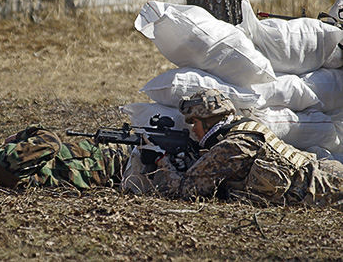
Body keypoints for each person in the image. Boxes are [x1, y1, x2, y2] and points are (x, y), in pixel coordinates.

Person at [126, 88, 343, 208]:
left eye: (195, 123)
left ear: (209, 121)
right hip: (325, 174)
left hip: (324, 188)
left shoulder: (231, 146)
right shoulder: (244, 129)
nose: (193, 130)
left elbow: (185, 192)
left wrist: (161, 159)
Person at [0, 125, 127, 190]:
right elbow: (51, 142)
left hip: (107, 173)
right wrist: (21, 136)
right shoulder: (3, 162)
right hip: (110, 161)